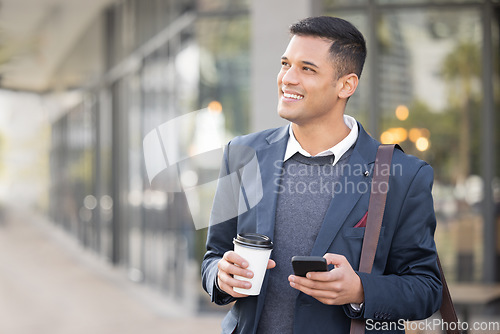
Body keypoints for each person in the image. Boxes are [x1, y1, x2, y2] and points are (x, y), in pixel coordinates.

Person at [201, 16, 442, 334]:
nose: (287, 78)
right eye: (286, 64)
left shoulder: (403, 175)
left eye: (307, 69)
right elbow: (213, 257)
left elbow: (426, 288)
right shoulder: (242, 155)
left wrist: (359, 290)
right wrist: (220, 275)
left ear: (346, 85)